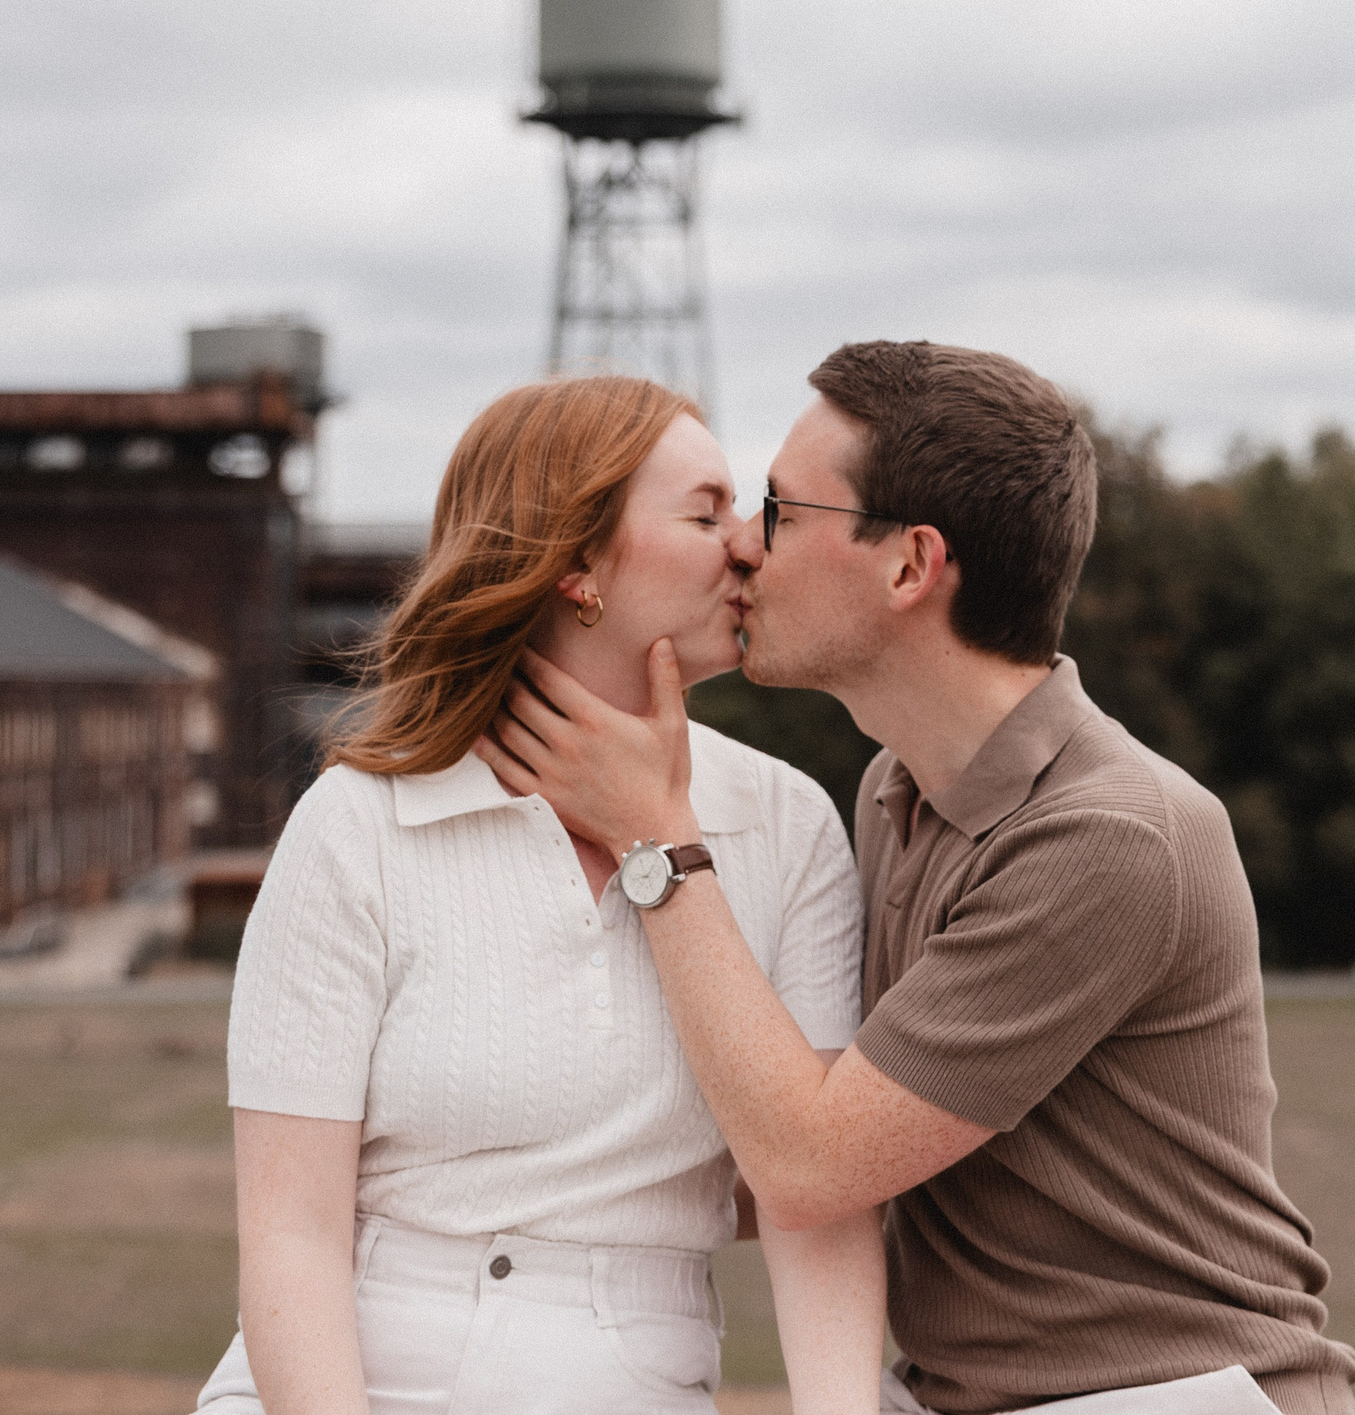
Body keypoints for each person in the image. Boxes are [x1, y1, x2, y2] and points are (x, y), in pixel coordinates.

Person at [479, 342, 1355, 1415]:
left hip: (1163, 1396)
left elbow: (808, 1165)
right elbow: (803, 1125)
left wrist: (655, 840)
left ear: (908, 566)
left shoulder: (1111, 838)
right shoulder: (897, 789)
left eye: (779, 509)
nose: (746, 548)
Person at [197, 376, 885, 1415]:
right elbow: (291, 1232)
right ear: (575, 563)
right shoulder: (359, 825)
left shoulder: (787, 826)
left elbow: (814, 1203)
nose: (749, 544)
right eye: (704, 513)